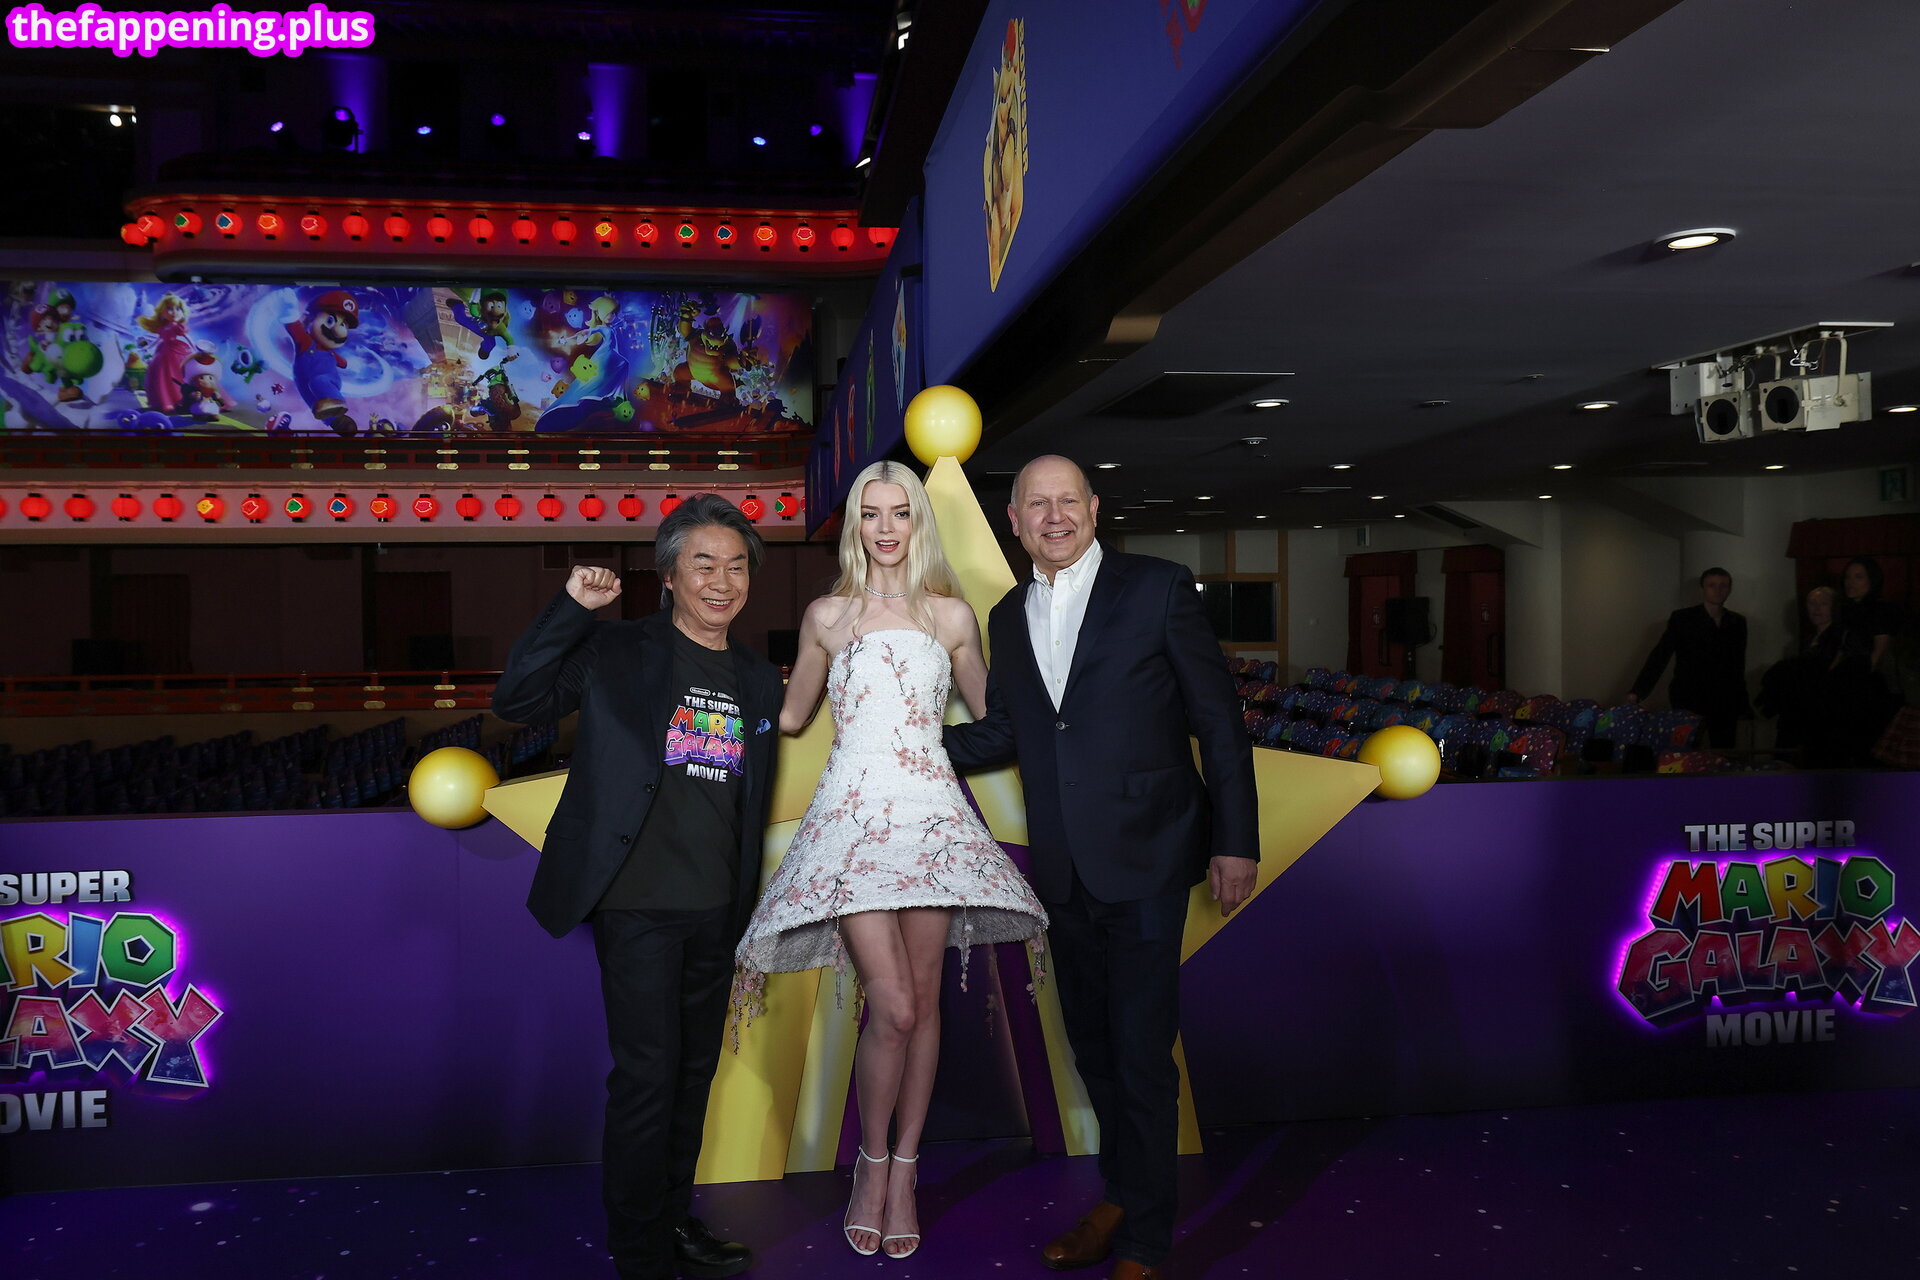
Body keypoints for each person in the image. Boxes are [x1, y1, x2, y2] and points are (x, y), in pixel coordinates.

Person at [943, 455, 1259, 1280]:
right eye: (1036, 505)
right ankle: (1121, 1197)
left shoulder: (1157, 586)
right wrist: (899, 748)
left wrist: (1236, 840)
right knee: (1093, 1047)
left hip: (1151, 854)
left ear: (1093, 508)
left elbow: (1217, 721)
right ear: (1014, 521)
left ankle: (1146, 1241)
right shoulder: (1007, 615)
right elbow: (1009, 729)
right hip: (1063, 868)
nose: (1054, 517)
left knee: (1142, 1053)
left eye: (1067, 501)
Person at [733, 459, 1047, 1261]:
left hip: (930, 820)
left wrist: (939, 745)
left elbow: (995, 716)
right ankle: (870, 1162)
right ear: (855, 525)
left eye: (898, 512)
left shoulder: (951, 616)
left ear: (917, 522)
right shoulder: (827, 615)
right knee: (896, 1006)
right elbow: (791, 715)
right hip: (851, 824)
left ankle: (902, 1171)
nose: (884, 527)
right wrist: (702, 692)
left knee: (926, 1003)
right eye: (869, 513)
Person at [492, 494, 783, 1280]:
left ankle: (672, 1219)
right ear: (669, 577)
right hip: (639, 907)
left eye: (736, 566)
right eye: (703, 564)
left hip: (717, 908)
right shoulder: (617, 649)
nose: (721, 581)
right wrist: (570, 610)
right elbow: (517, 701)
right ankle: (639, 1251)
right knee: (648, 1081)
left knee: (691, 1078)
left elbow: (751, 799)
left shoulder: (757, 680)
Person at [1627, 567, 1749, 748]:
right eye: (1712, 585)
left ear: (1729, 589)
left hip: (1724, 696)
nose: (1718, 590)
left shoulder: (1737, 622)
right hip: (1689, 693)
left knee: (1724, 749)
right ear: (1703, 589)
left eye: (1723, 585)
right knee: (1686, 748)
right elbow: (1661, 655)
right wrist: (1639, 690)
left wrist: (1742, 702)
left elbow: (1737, 665)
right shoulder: (1683, 618)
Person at [1759, 586, 1854, 766]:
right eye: (1812, 603)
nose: (1817, 608)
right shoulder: (1809, 637)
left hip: (1823, 711)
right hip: (1803, 709)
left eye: (1823, 603)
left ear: (1834, 607)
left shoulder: (1839, 637)